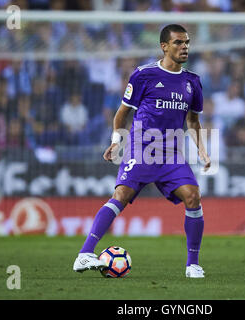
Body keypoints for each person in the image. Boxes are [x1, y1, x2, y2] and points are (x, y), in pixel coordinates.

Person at [73, 24, 211, 278]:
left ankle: (193, 265)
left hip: (171, 153)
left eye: (187, 43)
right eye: (179, 43)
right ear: (164, 46)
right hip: (143, 147)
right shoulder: (143, 75)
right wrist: (116, 140)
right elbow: (122, 112)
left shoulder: (193, 82)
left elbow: (192, 121)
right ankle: (85, 254)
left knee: (193, 197)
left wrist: (202, 149)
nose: (185, 47)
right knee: (122, 195)